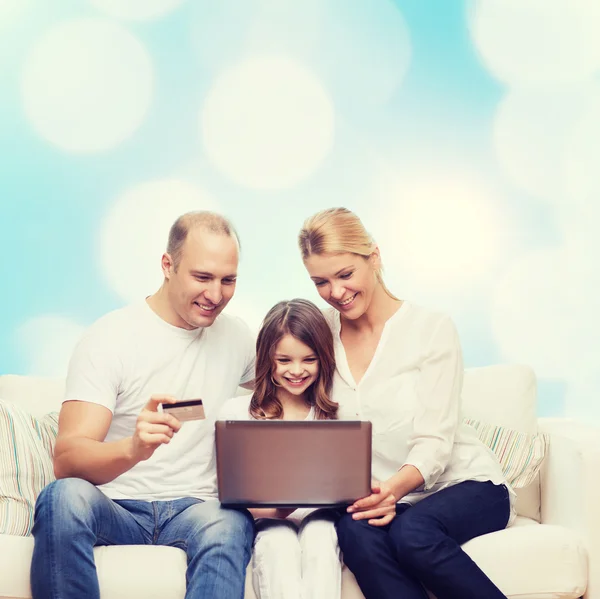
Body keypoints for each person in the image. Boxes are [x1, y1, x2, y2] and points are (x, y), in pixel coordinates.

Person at [31, 211, 256, 599]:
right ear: (168, 265)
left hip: (197, 508)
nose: (215, 295)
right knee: (61, 498)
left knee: (230, 522)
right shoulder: (111, 337)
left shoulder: (237, 336)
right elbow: (67, 459)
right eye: (202, 277)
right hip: (116, 505)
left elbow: (289, 390)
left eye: (228, 280)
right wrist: (133, 448)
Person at [297, 207, 515, 599]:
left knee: (411, 533)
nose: (336, 292)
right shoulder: (319, 336)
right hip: (385, 497)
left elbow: (435, 441)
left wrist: (392, 491)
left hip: (466, 485)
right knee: (352, 530)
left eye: (345, 274)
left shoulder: (431, 329)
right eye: (320, 282)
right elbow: (273, 371)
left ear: (374, 258)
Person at [219, 298, 342, 599]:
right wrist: (277, 509)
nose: (296, 371)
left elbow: (346, 486)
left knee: (321, 536)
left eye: (308, 360)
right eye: (284, 361)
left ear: (323, 359)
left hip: (322, 517)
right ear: (267, 359)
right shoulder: (237, 412)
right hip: (267, 520)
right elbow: (229, 495)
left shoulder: (335, 415)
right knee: (278, 542)